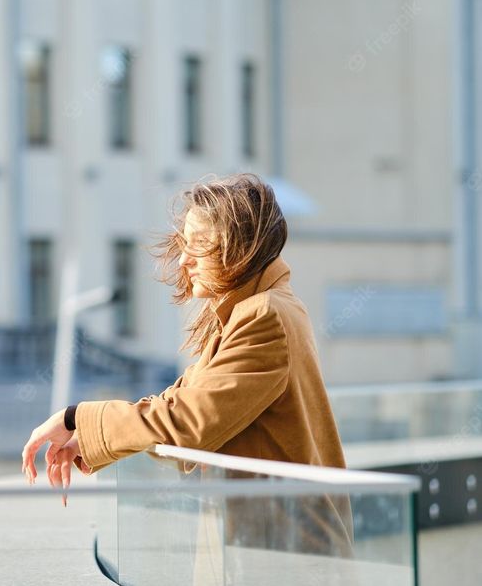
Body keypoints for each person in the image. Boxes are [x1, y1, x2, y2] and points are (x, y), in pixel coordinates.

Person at [20, 173, 353, 557]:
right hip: (271, 550)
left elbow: (185, 424)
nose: (184, 259)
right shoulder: (253, 310)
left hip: (284, 557)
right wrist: (90, 440)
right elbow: (176, 404)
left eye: (199, 244)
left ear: (240, 247)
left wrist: (75, 418)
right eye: (183, 244)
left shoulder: (264, 316)